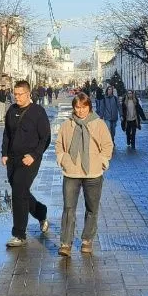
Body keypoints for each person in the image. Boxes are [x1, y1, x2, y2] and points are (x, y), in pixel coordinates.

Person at [56, 93, 113, 257]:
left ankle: (87, 239)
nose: (80, 111)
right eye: (77, 107)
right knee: (68, 208)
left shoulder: (99, 124)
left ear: (89, 107)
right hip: (71, 172)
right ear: (74, 107)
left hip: (93, 172)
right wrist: (62, 159)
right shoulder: (67, 125)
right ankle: (65, 243)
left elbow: (108, 145)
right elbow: (59, 144)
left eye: (84, 107)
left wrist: (103, 161)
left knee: (92, 208)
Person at [2, 79, 51, 247]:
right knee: (20, 191)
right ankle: (41, 212)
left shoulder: (38, 112)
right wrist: (4, 153)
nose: (16, 97)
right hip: (13, 159)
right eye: (14, 94)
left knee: (18, 192)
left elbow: (45, 138)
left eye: (20, 94)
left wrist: (34, 155)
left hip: (30, 159)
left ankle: (19, 234)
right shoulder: (11, 110)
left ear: (28, 94)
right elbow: (7, 134)